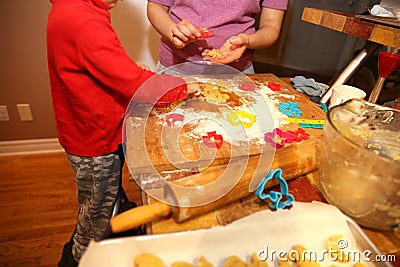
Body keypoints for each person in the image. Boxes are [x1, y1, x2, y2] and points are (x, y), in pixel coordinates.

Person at [47, 0, 198, 266]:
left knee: (110, 194)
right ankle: (79, 258)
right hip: (94, 138)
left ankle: (123, 223)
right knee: (96, 215)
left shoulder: (73, 8)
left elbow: (103, 66)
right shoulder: (84, 22)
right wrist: (180, 87)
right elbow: (129, 80)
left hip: (89, 125)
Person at [147, 0, 288, 74]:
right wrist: (173, 31)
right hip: (175, 68)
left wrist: (247, 41)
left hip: (237, 72)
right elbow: (156, 7)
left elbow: (271, 27)